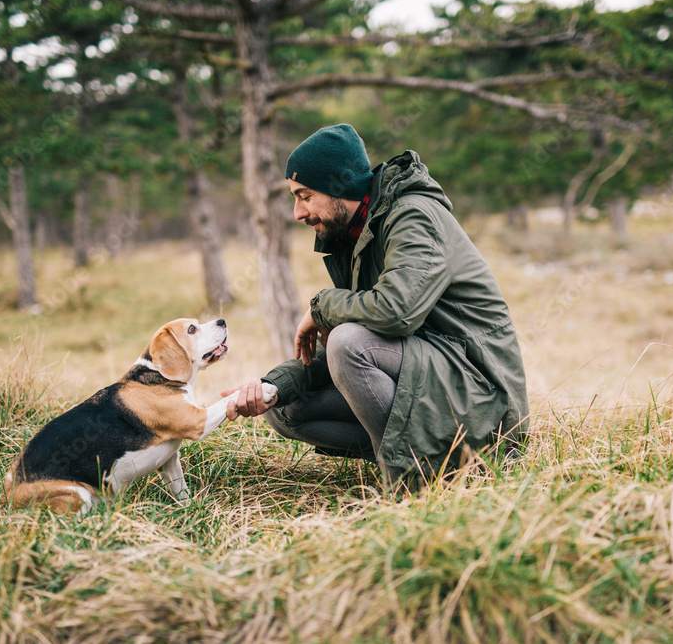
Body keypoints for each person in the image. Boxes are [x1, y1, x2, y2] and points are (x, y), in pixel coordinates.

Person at [225, 123, 529, 491]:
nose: (297, 213)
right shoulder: (354, 233)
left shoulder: (414, 216)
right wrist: (271, 385)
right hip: (428, 376)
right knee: (285, 407)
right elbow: (369, 334)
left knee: (347, 343)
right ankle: (437, 462)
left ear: (339, 186)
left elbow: (394, 313)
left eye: (304, 195)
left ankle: (413, 486)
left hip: (482, 397)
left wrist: (321, 306)